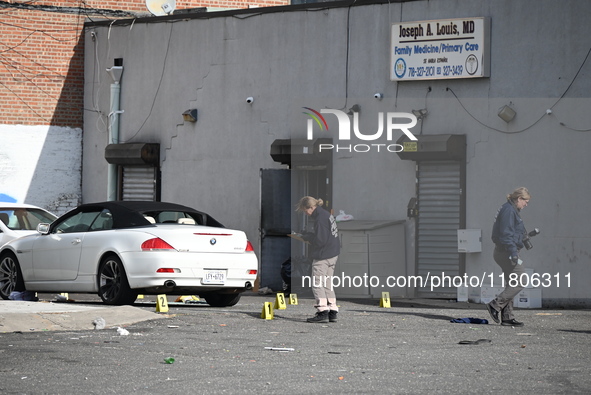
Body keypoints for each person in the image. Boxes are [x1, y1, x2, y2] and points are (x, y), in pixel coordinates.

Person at [486, 187, 531, 327]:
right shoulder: (509, 210)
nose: (526, 205)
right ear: (519, 199)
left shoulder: (511, 210)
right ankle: (495, 305)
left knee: (511, 283)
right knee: (520, 281)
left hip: (506, 251)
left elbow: (514, 231)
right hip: (506, 252)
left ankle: (507, 317)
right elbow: (506, 234)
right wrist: (513, 253)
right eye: (526, 201)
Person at [296, 196, 340, 323]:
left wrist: (307, 237)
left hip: (323, 256)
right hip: (333, 253)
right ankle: (332, 310)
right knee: (327, 284)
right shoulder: (326, 214)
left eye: (305, 210)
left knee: (317, 283)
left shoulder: (320, 218)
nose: (306, 213)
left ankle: (322, 311)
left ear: (311, 207)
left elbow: (320, 240)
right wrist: (309, 235)